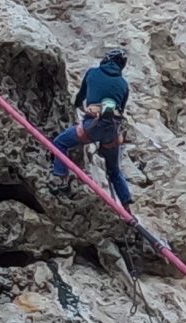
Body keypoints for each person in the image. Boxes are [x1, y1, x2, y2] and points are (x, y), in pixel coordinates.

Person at [48, 47, 133, 211]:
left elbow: (81, 96)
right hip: (113, 130)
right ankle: (127, 205)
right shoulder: (123, 84)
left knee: (60, 143)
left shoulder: (93, 73)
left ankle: (60, 179)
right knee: (114, 170)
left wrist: (77, 107)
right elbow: (121, 109)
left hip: (92, 125)